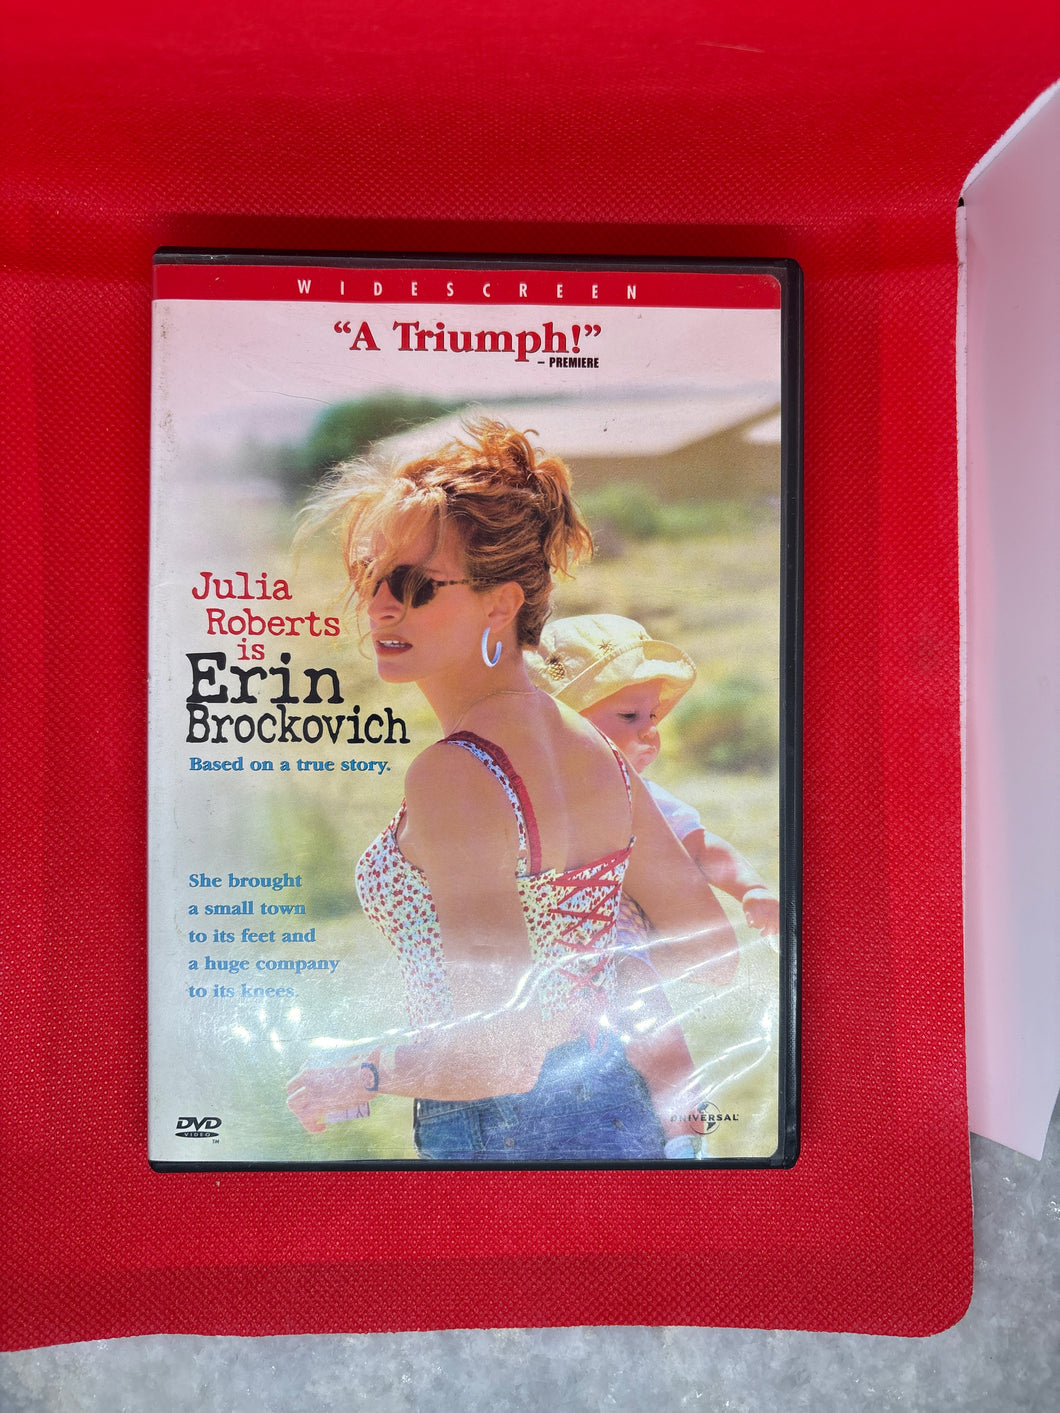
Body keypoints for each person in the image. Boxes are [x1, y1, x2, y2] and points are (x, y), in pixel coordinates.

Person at [284, 421, 737, 1162]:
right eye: (372, 576)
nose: (382, 606)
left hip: (505, 1133)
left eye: (416, 585)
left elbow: (502, 1057)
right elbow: (712, 952)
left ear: (501, 604)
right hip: (617, 1105)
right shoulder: (596, 748)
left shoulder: (457, 773)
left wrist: (364, 1072)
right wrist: (580, 969)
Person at [526, 614, 780, 1155]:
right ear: (561, 724)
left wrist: (751, 890)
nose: (650, 731)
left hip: (617, 949)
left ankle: (684, 1134)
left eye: (653, 716)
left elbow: (702, 847)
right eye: (629, 715)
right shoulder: (520, 793)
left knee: (653, 1025)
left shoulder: (639, 795)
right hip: (544, 969)